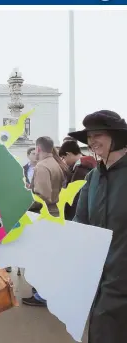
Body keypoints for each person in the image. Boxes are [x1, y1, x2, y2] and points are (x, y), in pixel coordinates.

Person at [69, 110, 127, 343]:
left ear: (118, 137)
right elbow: (79, 224)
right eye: (89, 136)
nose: (91, 140)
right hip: (100, 284)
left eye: (98, 134)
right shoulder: (92, 178)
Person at [23, 136, 69, 307]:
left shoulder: (42, 166)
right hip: (55, 215)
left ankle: (41, 295)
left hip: (44, 217)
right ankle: (48, 292)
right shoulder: (56, 163)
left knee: (40, 259)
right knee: (49, 258)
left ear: (38, 149)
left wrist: (23, 198)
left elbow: (43, 197)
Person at [58, 140, 96, 220]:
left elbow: (74, 196)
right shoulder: (77, 167)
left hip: (76, 215)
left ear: (68, 154)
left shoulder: (82, 169)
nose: (63, 161)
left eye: (63, 158)